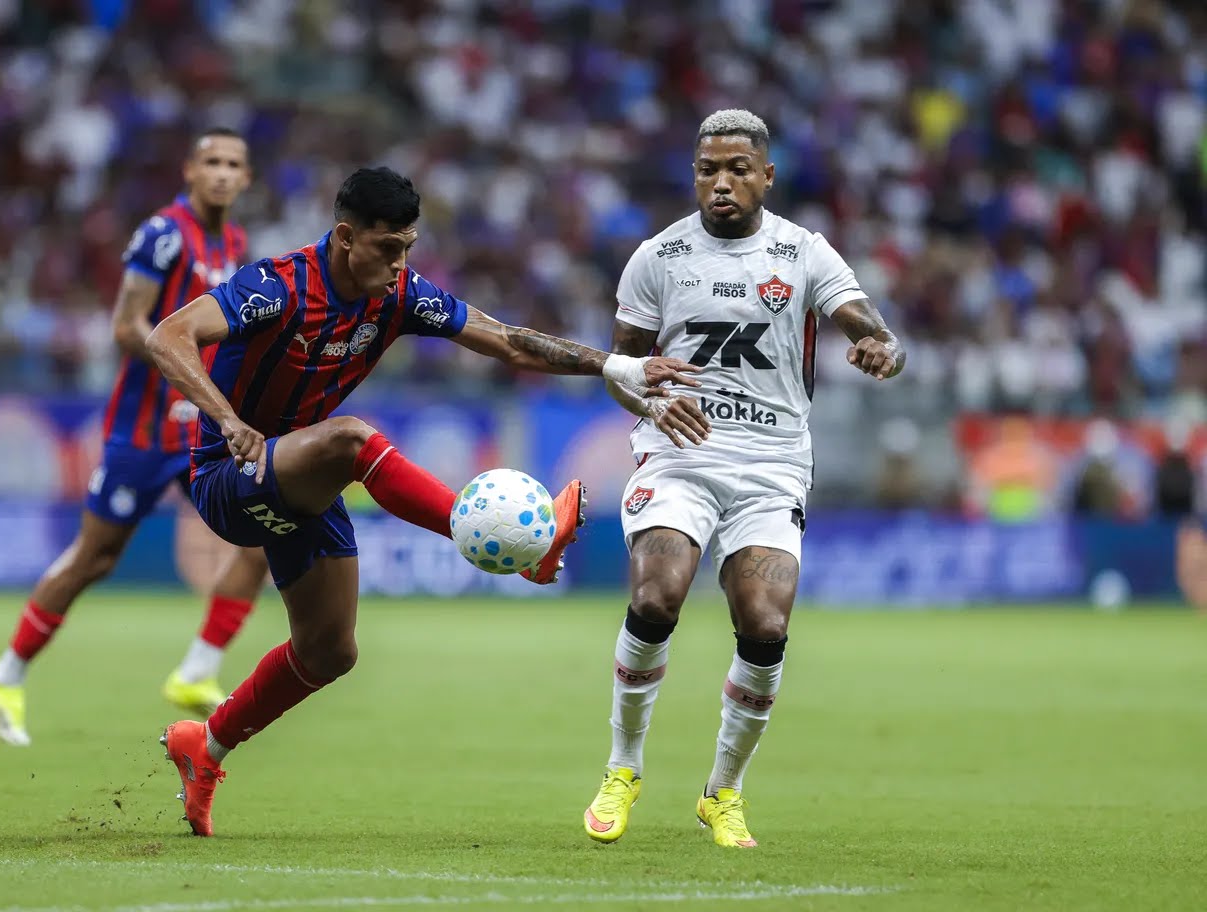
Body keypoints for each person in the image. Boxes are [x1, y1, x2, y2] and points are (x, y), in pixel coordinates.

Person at [147, 166, 699, 836]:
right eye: (387, 248)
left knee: (330, 652)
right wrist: (226, 419)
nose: (400, 263)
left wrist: (613, 365)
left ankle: (204, 746)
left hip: (298, 479)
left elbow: (504, 340)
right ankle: (514, 550)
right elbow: (167, 336)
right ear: (345, 236)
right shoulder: (276, 286)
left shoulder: (401, 295)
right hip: (228, 474)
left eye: (407, 247)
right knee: (352, 441)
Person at [581, 109, 907, 849]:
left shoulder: (803, 252)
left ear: (766, 175)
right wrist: (648, 402)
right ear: (693, 176)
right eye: (707, 170)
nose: (721, 183)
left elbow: (874, 330)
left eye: (737, 169)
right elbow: (620, 369)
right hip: (680, 454)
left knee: (764, 624)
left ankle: (722, 791)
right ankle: (622, 766)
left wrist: (882, 351)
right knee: (655, 596)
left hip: (772, 465)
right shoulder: (658, 258)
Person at [0, 128, 271, 746]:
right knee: (95, 558)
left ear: (246, 178)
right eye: (211, 162)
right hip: (143, 432)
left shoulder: (236, 242)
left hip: (202, 430)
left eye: (233, 164)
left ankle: (197, 670)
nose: (221, 173)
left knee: (262, 536)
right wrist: (189, 371)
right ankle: (6, 674)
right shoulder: (164, 235)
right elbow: (126, 325)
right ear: (190, 171)